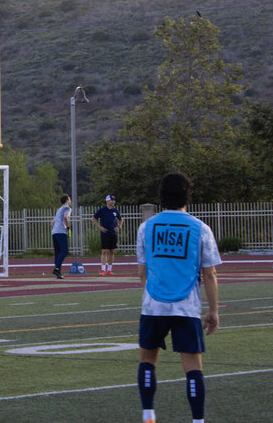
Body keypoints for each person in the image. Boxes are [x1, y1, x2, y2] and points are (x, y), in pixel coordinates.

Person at [136, 172, 221, 423]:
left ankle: (148, 415)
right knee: (193, 367)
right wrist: (214, 311)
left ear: (161, 197)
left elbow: (143, 273)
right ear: (188, 195)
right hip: (187, 307)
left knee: (147, 360)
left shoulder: (146, 227)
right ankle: (197, 420)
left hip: (153, 304)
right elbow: (210, 274)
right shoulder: (200, 228)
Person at [91, 194, 124, 275]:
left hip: (113, 233)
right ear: (107, 201)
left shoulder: (115, 211)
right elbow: (93, 218)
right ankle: (102, 270)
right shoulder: (102, 210)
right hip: (105, 232)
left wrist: (119, 227)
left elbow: (121, 219)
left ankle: (109, 270)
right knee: (104, 251)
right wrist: (100, 227)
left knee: (112, 251)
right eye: (111, 200)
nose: (113, 201)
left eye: (114, 200)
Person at [51, 194, 71, 279]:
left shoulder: (59, 210)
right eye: (69, 199)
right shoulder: (67, 208)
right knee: (64, 251)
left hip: (54, 232)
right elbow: (66, 217)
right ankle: (56, 269)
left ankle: (58, 271)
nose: (70, 201)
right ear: (67, 200)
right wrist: (68, 227)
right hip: (61, 232)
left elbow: (52, 223)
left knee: (58, 252)